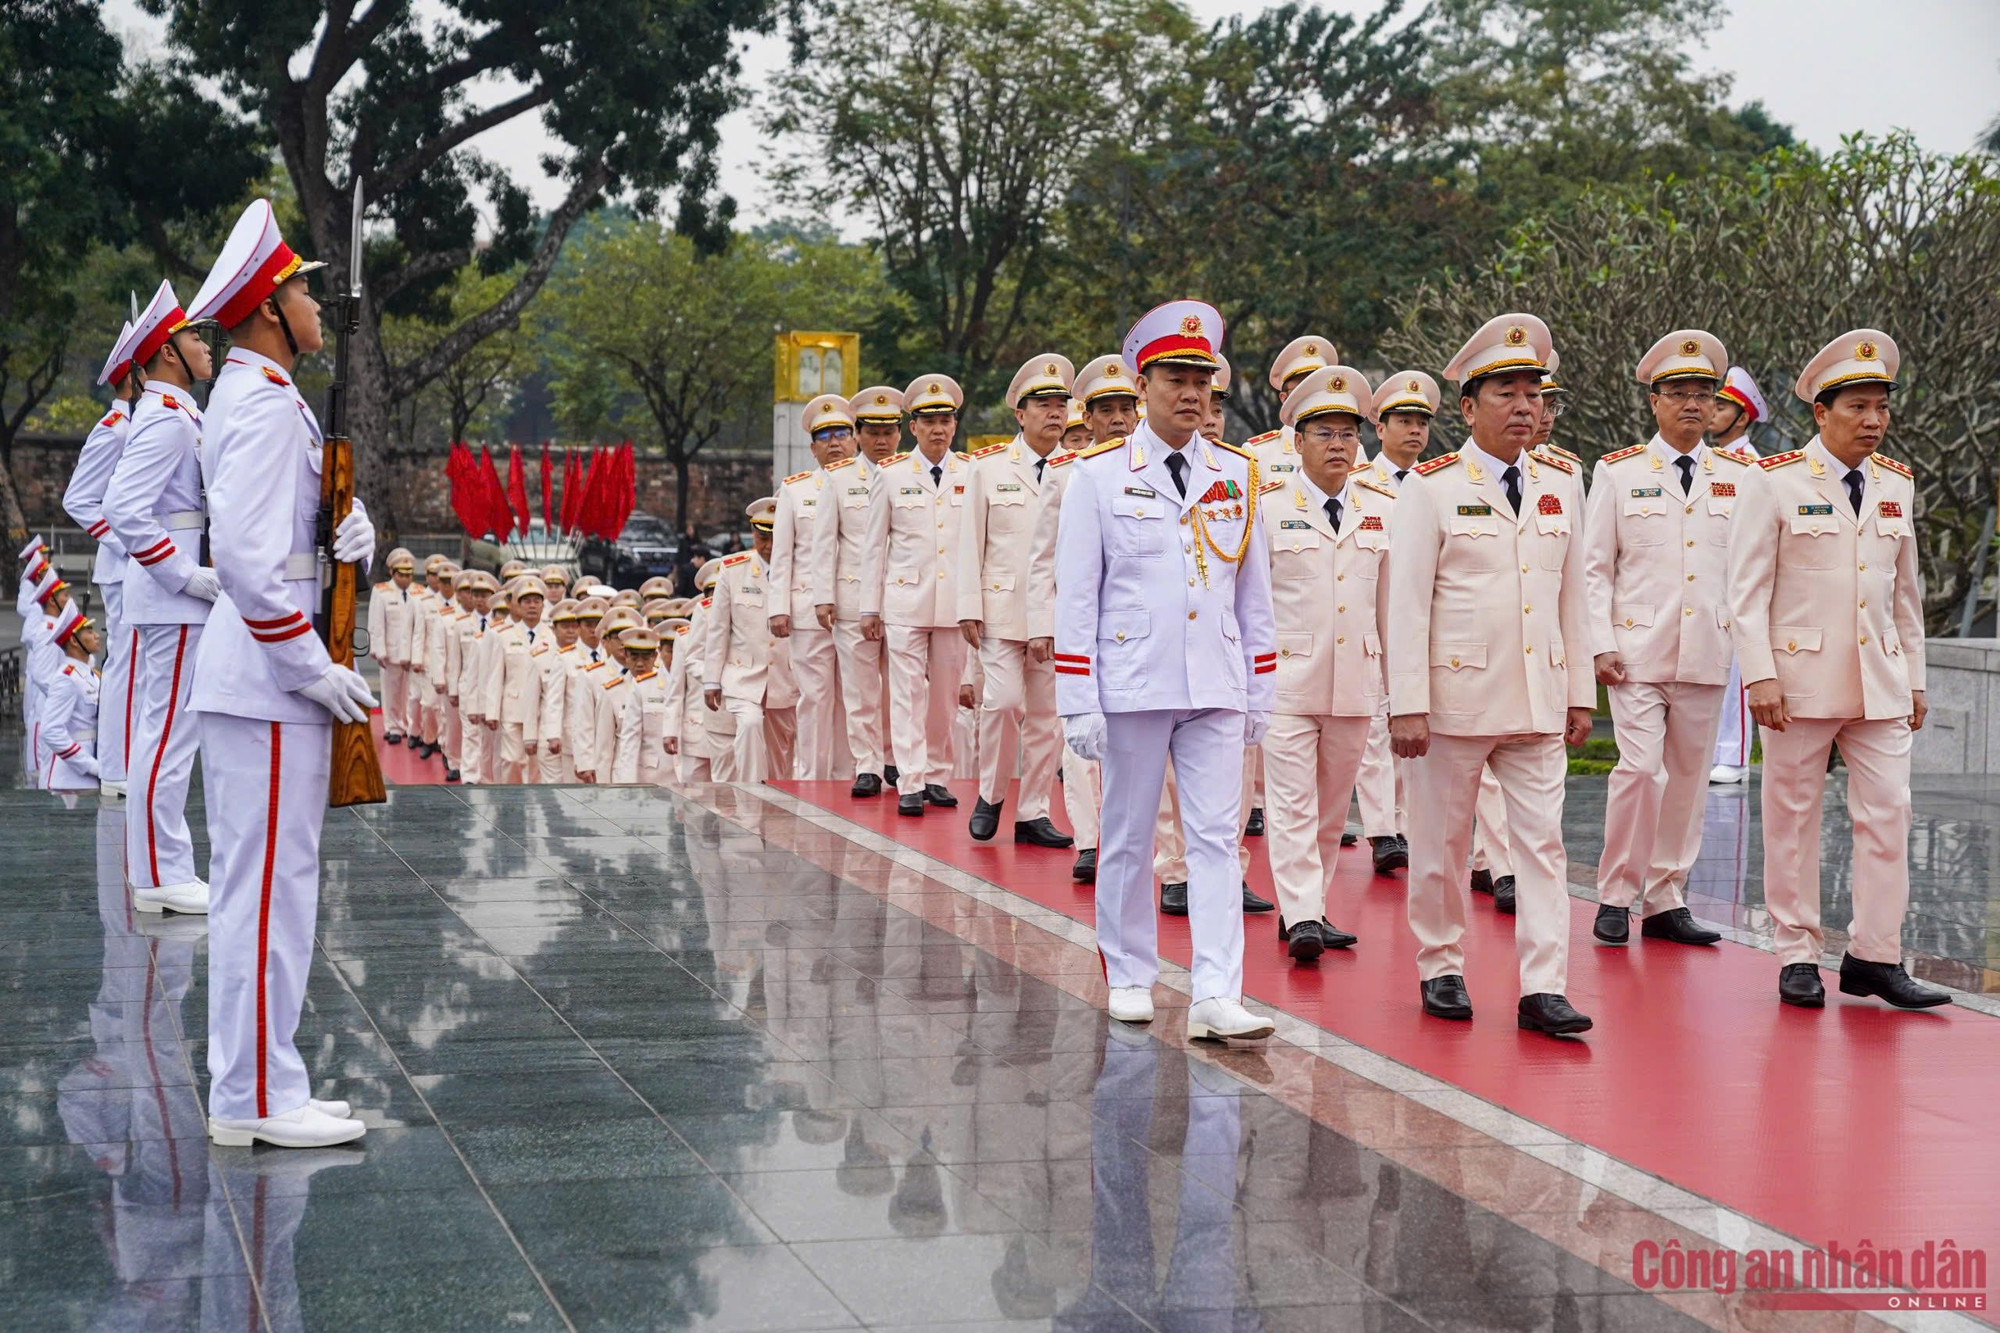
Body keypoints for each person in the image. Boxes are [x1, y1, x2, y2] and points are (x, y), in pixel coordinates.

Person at [185, 197, 375, 1147]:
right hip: (267, 682)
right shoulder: (260, 406)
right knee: (263, 894)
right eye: (302, 291)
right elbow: (248, 564)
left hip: (265, 679)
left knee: (277, 888)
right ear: (269, 308)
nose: (314, 304)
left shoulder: (267, 397)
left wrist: (346, 533)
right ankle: (253, 1096)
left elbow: (284, 544)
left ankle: (270, 1077)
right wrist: (310, 666)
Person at [1054, 298, 1277, 1042]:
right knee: (1126, 834)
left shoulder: (1238, 474)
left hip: (1214, 679)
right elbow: (1077, 595)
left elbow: (1254, 594)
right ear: (1141, 385)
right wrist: (1078, 697)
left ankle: (1216, 990)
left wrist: (1261, 687)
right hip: (1134, 681)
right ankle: (1129, 971)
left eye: (1201, 381)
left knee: (1217, 838)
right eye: (1175, 379)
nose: (1191, 394)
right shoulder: (1098, 476)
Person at [1388, 312, 1596, 1037]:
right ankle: (1441, 963)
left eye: (1533, 394)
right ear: (1469, 407)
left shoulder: (1563, 481)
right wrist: (1407, 703)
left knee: (1543, 847)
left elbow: (1574, 597)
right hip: (1455, 700)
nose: (1524, 407)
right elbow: (1407, 603)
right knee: (1442, 846)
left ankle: (1544, 986)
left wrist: (1580, 693)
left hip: (1538, 697)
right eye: (1506, 393)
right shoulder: (1432, 487)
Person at [1729, 330, 1945, 1010]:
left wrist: (1915, 679)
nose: (1874, 420)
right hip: (1798, 683)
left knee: (1889, 814)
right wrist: (1759, 674)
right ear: (1822, 412)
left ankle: (1875, 955)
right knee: (1792, 818)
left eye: (1882, 406)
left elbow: (1905, 596)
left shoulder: (1896, 484)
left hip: (1880, 681)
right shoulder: (1774, 481)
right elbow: (1745, 592)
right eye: (1858, 406)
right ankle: (1797, 951)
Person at [1582, 330, 1743, 949]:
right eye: (1679, 393)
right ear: (1655, 401)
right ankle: (1616, 893)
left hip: (1707, 649)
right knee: (1640, 772)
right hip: (1637, 653)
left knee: (1687, 780)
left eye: (1703, 393)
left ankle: (1666, 896)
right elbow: (1595, 567)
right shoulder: (1619, 472)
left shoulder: (1738, 476)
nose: (1693, 404)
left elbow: (1750, 570)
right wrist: (1600, 641)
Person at [1260, 363, 1387, 962]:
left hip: (1356, 681)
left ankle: (1308, 906)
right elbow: (1250, 603)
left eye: (1347, 434)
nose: (1338, 445)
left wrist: (1399, 688)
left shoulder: (1381, 509)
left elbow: (1391, 607)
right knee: (1291, 806)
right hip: (1286, 681)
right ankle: (1303, 915)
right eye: (1325, 433)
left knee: (1333, 810)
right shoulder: (1267, 508)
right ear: (1298, 441)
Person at [105, 281, 217, 916]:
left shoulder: (180, 413)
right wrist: (183, 575)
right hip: (173, 601)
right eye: (195, 335)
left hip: (174, 601)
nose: (206, 344)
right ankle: (159, 873)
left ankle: (159, 868)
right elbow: (124, 507)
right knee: (168, 738)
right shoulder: (169, 419)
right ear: (169, 352)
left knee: (168, 734)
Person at [1028, 354, 1140, 885]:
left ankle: (1145, 848)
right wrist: (1041, 625)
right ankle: (1090, 841)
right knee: (1081, 737)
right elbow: (1041, 558)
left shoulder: (1162, 472)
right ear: (1087, 418)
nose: (1118, 419)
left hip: (1140, 631)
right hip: (1083, 626)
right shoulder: (1065, 474)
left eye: (1125, 409)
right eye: (1106, 411)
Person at [959, 355, 1074, 848]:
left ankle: (1033, 811)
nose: (1054, 413)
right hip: (1000, 609)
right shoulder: (988, 468)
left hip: (1056, 610)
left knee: (1047, 718)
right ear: (1020, 414)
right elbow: (970, 541)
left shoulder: (1078, 469)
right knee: (1003, 703)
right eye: (1043, 405)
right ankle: (990, 794)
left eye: (1060, 405)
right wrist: (968, 605)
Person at [863, 377, 971, 816]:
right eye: (929, 422)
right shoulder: (890, 474)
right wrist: (869, 607)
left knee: (945, 696)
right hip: (905, 600)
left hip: (954, 604)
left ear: (954, 424)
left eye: (945, 421)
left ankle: (937, 775)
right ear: (914, 427)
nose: (938, 429)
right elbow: (874, 547)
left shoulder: (972, 472)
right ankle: (909, 779)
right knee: (906, 694)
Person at [1352, 372, 1442, 875]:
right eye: (1403, 421)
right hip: (1370, 620)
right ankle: (1383, 829)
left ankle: (1404, 826)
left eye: (1421, 422)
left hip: (1421, 623)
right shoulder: (1358, 483)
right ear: (1379, 427)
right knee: (1373, 729)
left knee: (1412, 727)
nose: (1414, 430)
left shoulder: (1434, 484)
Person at [771, 389, 873, 780]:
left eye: (842, 434)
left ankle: (850, 775)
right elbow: (782, 555)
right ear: (813, 448)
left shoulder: (875, 481)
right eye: (824, 437)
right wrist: (778, 608)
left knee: (856, 695)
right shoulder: (796, 490)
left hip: (855, 605)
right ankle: (812, 777)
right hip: (807, 608)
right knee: (814, 697)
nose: (834, 444)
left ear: (855, 438)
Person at [63, 324, 138, 795]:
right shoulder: (114, 430)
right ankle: (114, 769)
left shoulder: (136, 425)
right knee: (124, 670)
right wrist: (127, 542)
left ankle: (126, 764)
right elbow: (77, 500)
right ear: (134, 376)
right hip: (124, 566)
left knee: (136, 671)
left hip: (139, 566)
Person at [807, 394, 893, 795]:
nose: (882, 440)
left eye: (889, 432)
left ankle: (897, 758)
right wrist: (823, 595)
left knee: (901, 688)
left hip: (902, 596)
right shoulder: (839, 479)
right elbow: (824, 542)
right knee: (860, 689)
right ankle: (867, 764)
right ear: (859, 436)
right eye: (873, 432)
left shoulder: (908, 475)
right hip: (852, 597)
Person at [703, 498, 800, 783]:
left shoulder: (801, 569)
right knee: (749, 725)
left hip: (786, 675)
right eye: (762, 537)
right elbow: (718, 628)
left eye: (775, 538)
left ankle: (779, 802)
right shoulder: (733, 569)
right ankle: (751, 794)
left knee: (780, 756)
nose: (768, 546)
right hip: (743, 675)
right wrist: (711, 680)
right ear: (752, 533)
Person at [1708, 363, 1770, 784]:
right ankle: (1715, 752)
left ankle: (1735, 756)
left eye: (1722, 407)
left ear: (1743, 417)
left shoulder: (1753, 467)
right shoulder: (1712, 462)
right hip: (1709, 583)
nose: (1712, 412)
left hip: (1738, 584)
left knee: (1736, 675)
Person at [40, 606, 103, 795]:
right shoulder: (66, 678)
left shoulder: (91, 674)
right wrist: (90, 765)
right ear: (74, 641)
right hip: (73, 777)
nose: (96, 636)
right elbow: (51, 731)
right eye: (89, 631)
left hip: (96, 767)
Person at [367, 551, 420, 746]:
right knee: (391, 691)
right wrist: (379, 650)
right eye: (401, 574)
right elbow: (376, 624)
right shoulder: (381, 591)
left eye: (409, 575)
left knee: (412, 692)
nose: (405, 579)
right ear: (392, 572)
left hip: (413, 653)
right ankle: (393, 727)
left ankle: (410, 725)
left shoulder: (419, 592)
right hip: (391, 650)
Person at [613, 625, 671, 783]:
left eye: (645, 657)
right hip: (651, 775)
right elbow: (630, 739)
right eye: (634, 657)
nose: (640, 664)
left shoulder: (691, 682)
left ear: (655, 656)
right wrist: (627, 783)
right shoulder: (641, 687)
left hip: (684, 774)